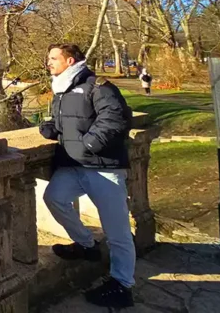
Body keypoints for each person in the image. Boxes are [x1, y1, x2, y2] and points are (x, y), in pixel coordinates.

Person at [40, 43, 135, 308]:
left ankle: (123, 285)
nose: (48, 63)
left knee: (118, 232)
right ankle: (86, 244)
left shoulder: (99, 86)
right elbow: (67, 124)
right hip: (73, 167)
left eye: (53, 58)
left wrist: (88, 145)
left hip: (103, 169)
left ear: (70, 61)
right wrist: (50, 128)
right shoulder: (62, 89)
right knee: (55, 198)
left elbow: (115, 120)